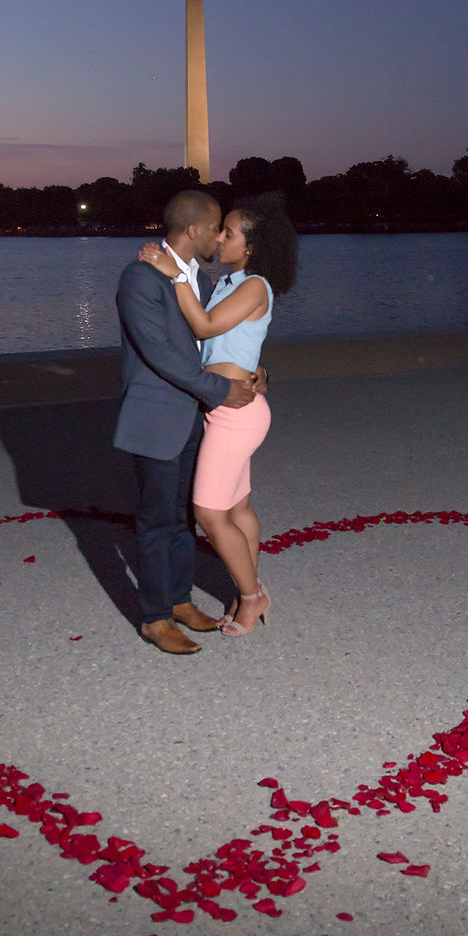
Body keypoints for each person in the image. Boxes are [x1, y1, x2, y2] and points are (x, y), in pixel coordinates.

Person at [138, 194, 298, 636]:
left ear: (250, 246)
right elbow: (232, 344)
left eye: (228, 232)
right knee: (239, 506)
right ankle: (252, 586)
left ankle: (251, 596)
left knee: (209, 513)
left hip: (236, 414)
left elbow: (205, 329)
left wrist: (175, 278)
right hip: (230, 405)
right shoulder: (229, 282)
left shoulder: (253, 285)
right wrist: (260, 369)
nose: (219, 237)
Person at [115, 190, 259, 655]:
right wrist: (221, 391)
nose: (220, 235)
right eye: (217, 226)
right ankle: (155, 618)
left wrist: (256, 372)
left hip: (194, 418)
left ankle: (179, 600)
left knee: (183, 518)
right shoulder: (140, 277)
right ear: (194, 230)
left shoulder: (201, 278)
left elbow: (219, 341)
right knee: (157, 521)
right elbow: (160, 355)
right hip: (157, 417)